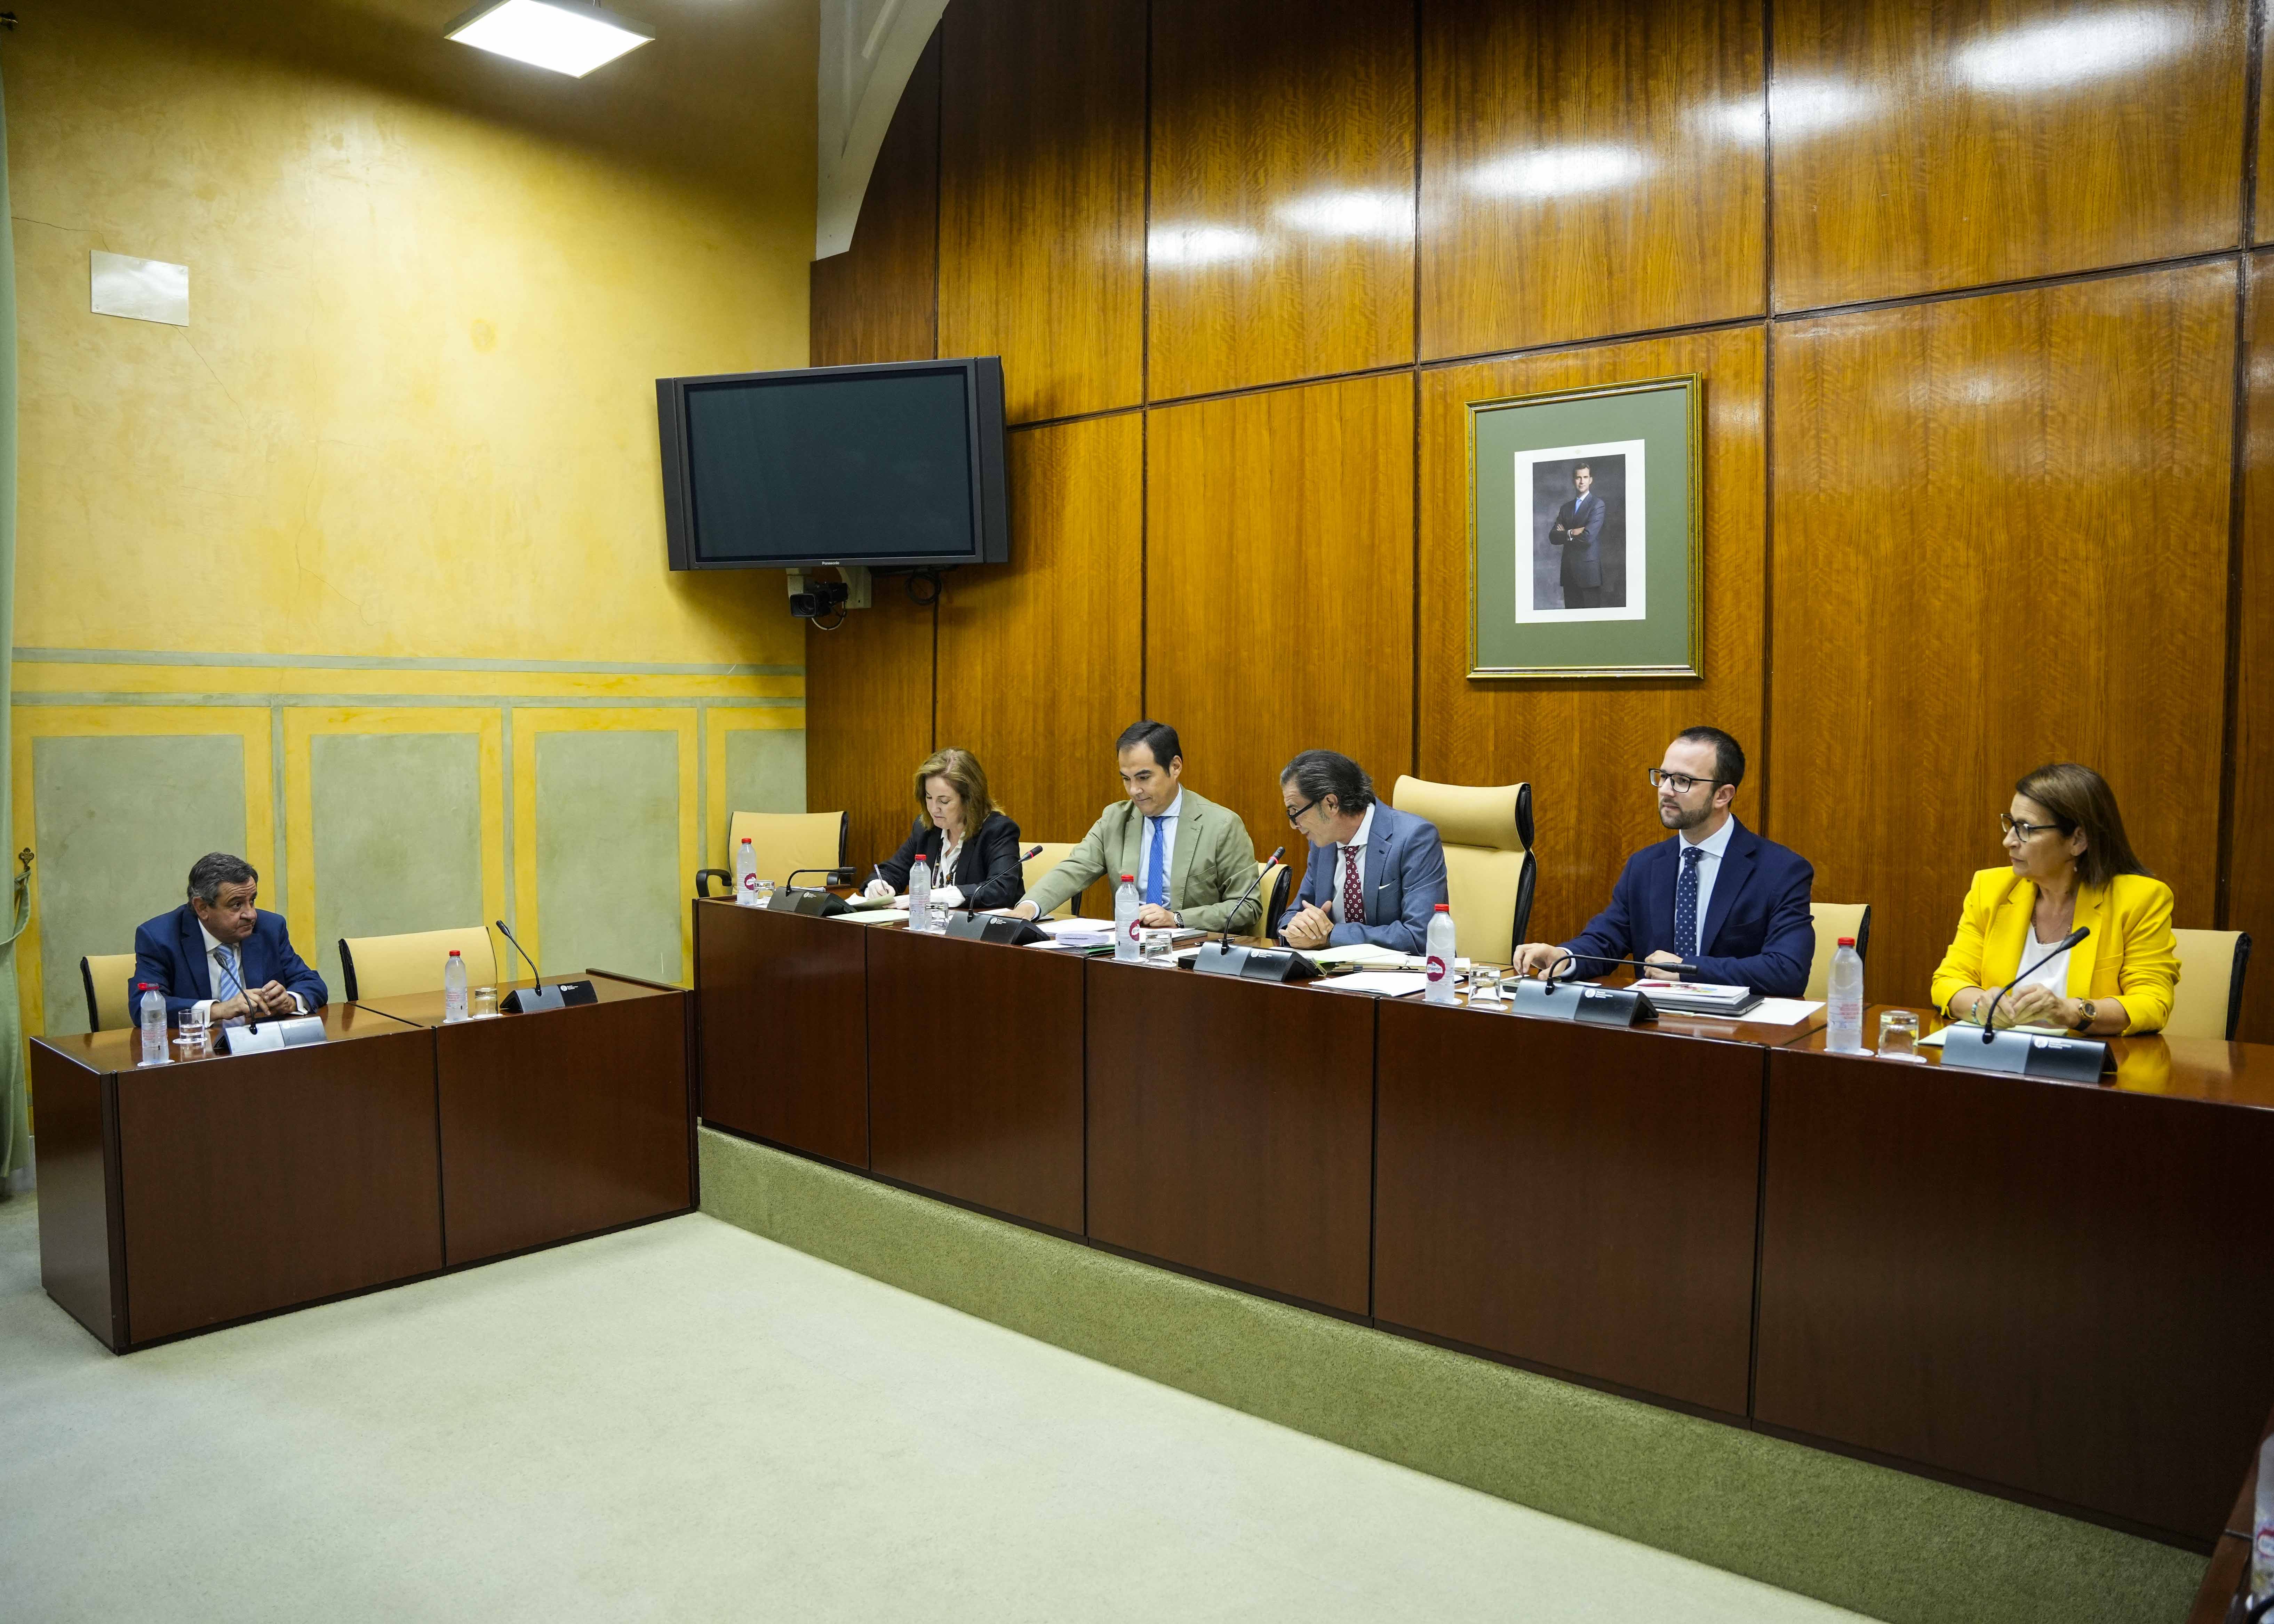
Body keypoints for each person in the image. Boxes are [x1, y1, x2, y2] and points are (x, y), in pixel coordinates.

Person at [1513, 727, 1814, 996]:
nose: (1666, 790)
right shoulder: (1645, 865)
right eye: (1664, 776)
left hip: (1737, 1029)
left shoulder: (1780, 870)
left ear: (1722, 795)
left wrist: (1688, 969)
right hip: (1653, 1025)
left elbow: (1787, 970)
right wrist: (1564, 957)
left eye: (1683, 781)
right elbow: (1606, 939)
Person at [1930, 763, 2179, 1035]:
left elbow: (2152, 1003)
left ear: (2077, 840)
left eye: (2025, 828)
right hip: (1998, 1054)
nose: (2009, 841)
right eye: (2010, 824)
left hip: (2086, 1058)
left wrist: (2070, 1011)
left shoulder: (2139, 899)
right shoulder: (1990, 889)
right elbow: (1948, 981)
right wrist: (1980, 1005)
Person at [1012, 720, 1261, 933]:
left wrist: (1176, 918)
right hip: (1127, 947)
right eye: (1126, 779)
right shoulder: (1115, 819)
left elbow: (1247, 906)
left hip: (1192, 953)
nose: (1134, 790)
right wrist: (1029, 907)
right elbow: (1074, 869)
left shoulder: (1221, 825)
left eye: (1144, 778)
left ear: (1175, 767)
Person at [1275, 749, 1448, 955]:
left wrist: (1332, 936)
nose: (1294, 825)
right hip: (1333, 972)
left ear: (1331, 804)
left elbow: (1422, 936)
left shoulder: (1415, 838)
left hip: (1404, 972)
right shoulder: (1323, 845)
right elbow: (1294, 914)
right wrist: (1296, 929)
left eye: (1295, 812)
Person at [131, 852, 328, 1027]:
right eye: (237, 905)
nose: (251, 915)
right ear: (202, 908)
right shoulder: (160, 938)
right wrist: (220, 1010)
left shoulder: (270, 928)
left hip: (262, 1047)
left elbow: (312, 983)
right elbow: (144, 1007)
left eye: (252, 901)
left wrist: (290, 1001)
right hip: (196, 1051)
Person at [862, 747, 1026, 913]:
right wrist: (878, 885)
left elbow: (1002, 889)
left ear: (969, 800)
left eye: (944, 801)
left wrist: (932, 897)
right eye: (929, 797)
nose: (933, 809)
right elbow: (893, 871)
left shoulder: (997, 831)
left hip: (982, 927)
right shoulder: (925, 829)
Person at [1549, 462, 1606, 611]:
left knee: (1591, 621)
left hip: (1589, 576)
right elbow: (1553, 537)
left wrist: (1565, 534)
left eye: (1585, 477)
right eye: (1578, 478)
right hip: (1569, 574)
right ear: (1573, 480)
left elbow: (1588, 538)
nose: (1582, 481)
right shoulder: (1566, 508)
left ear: (1591, 480)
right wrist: (1572, 532)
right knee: (1571, 620)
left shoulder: (1597, 505)